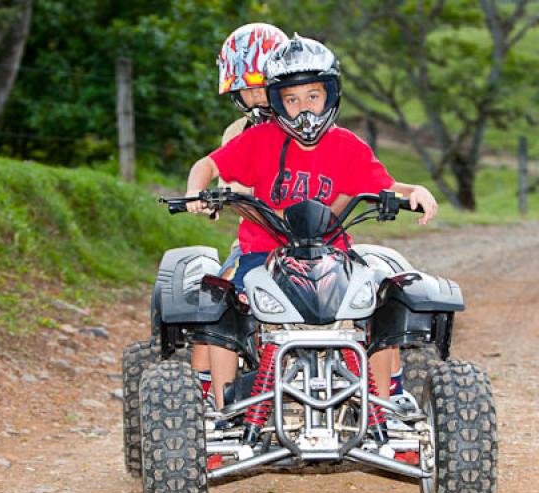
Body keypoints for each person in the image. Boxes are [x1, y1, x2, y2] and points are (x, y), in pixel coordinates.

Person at [186, 35, 437, 411]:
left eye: (313, 97)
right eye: (292, 99)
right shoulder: (258, 140)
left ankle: (384, 403)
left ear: (330, 96)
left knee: (376, 301)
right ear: (278, 103)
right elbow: (208, 165)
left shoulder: (347, 145)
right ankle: (222, 407)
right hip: (264, 251)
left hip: (331, 252)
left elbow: (382, 185)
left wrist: (415, 191)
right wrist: (196, 192)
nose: (304, 109)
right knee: (223, 304)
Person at [191, 23, 288, 407]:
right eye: (247, 88)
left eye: (264, 85)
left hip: (313, 239)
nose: (256, 96)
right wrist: (209, 197)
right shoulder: (238, 133)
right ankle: (211, 400)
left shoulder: (311, 126)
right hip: (257, 243)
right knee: (214, 305)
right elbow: (228, 174)